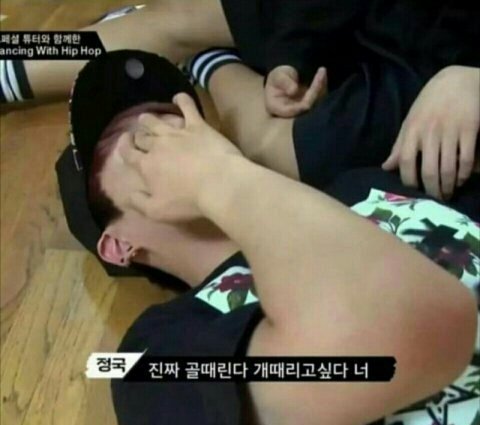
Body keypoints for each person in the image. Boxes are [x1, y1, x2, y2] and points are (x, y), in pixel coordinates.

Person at [56, 51, 479, 425]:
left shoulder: (360, 185)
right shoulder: (154, 355)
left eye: (179, 119)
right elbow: (401, 343)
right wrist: (218, 178)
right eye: (135, 143)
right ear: (119, 245)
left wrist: (465, 81)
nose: (167, 131)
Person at [5, 0, 480, 199]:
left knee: (280, 152)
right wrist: (289, 56)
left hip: (451, 73)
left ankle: (209, 62)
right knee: (181, 17)